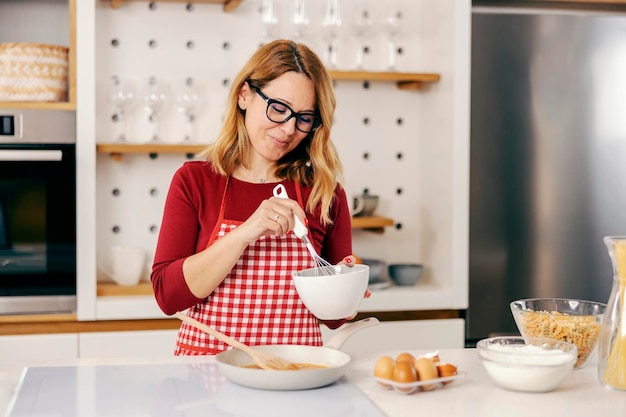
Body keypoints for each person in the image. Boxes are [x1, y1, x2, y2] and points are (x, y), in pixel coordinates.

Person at [151, 39, 365, 356]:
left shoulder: (324, 193)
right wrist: (244, 233)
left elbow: (332, 319)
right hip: (208, 381)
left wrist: (347, 294)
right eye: (278, 108)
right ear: (245, 95)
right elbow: (168, 297)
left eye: (305, 118)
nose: (289, 128)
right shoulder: (196, 181)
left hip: (294, 377)